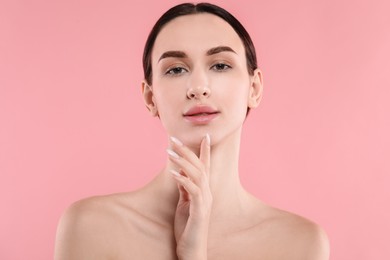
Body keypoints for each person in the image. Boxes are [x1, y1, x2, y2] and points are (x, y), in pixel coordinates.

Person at [54, 2, 329, 259]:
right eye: (175, 69)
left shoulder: (299, 244)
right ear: (151, 98)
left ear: (254, 88)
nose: (198, 86)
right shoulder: (91, 228)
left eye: (220, 65)